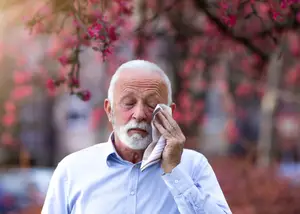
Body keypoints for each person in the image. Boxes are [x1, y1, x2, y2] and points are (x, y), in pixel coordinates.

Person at [42, 60, 232, 214]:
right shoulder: (72, 171)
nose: (140, 114)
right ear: (109, 110)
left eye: (151, 104)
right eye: (128, 103)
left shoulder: (193, 166)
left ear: (169, 112)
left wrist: (174, 171)